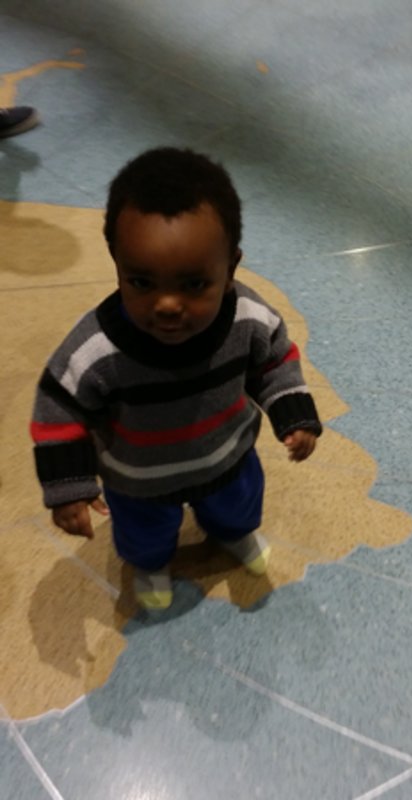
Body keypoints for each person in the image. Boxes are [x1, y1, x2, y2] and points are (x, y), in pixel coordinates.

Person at [31, 147, 322, 610]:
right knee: (143, 533)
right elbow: (58, 408)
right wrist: (69, 486)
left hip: (227, 458)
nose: (167, 304)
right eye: (142, 282)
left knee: (239, 507)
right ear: (117, 263)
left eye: (194, 284)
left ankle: (233, 535)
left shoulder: (248, 319)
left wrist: (294, 414)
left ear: (230, 268)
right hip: (139, 480)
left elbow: (274, 360)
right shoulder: (95, 349)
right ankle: (150, 565)